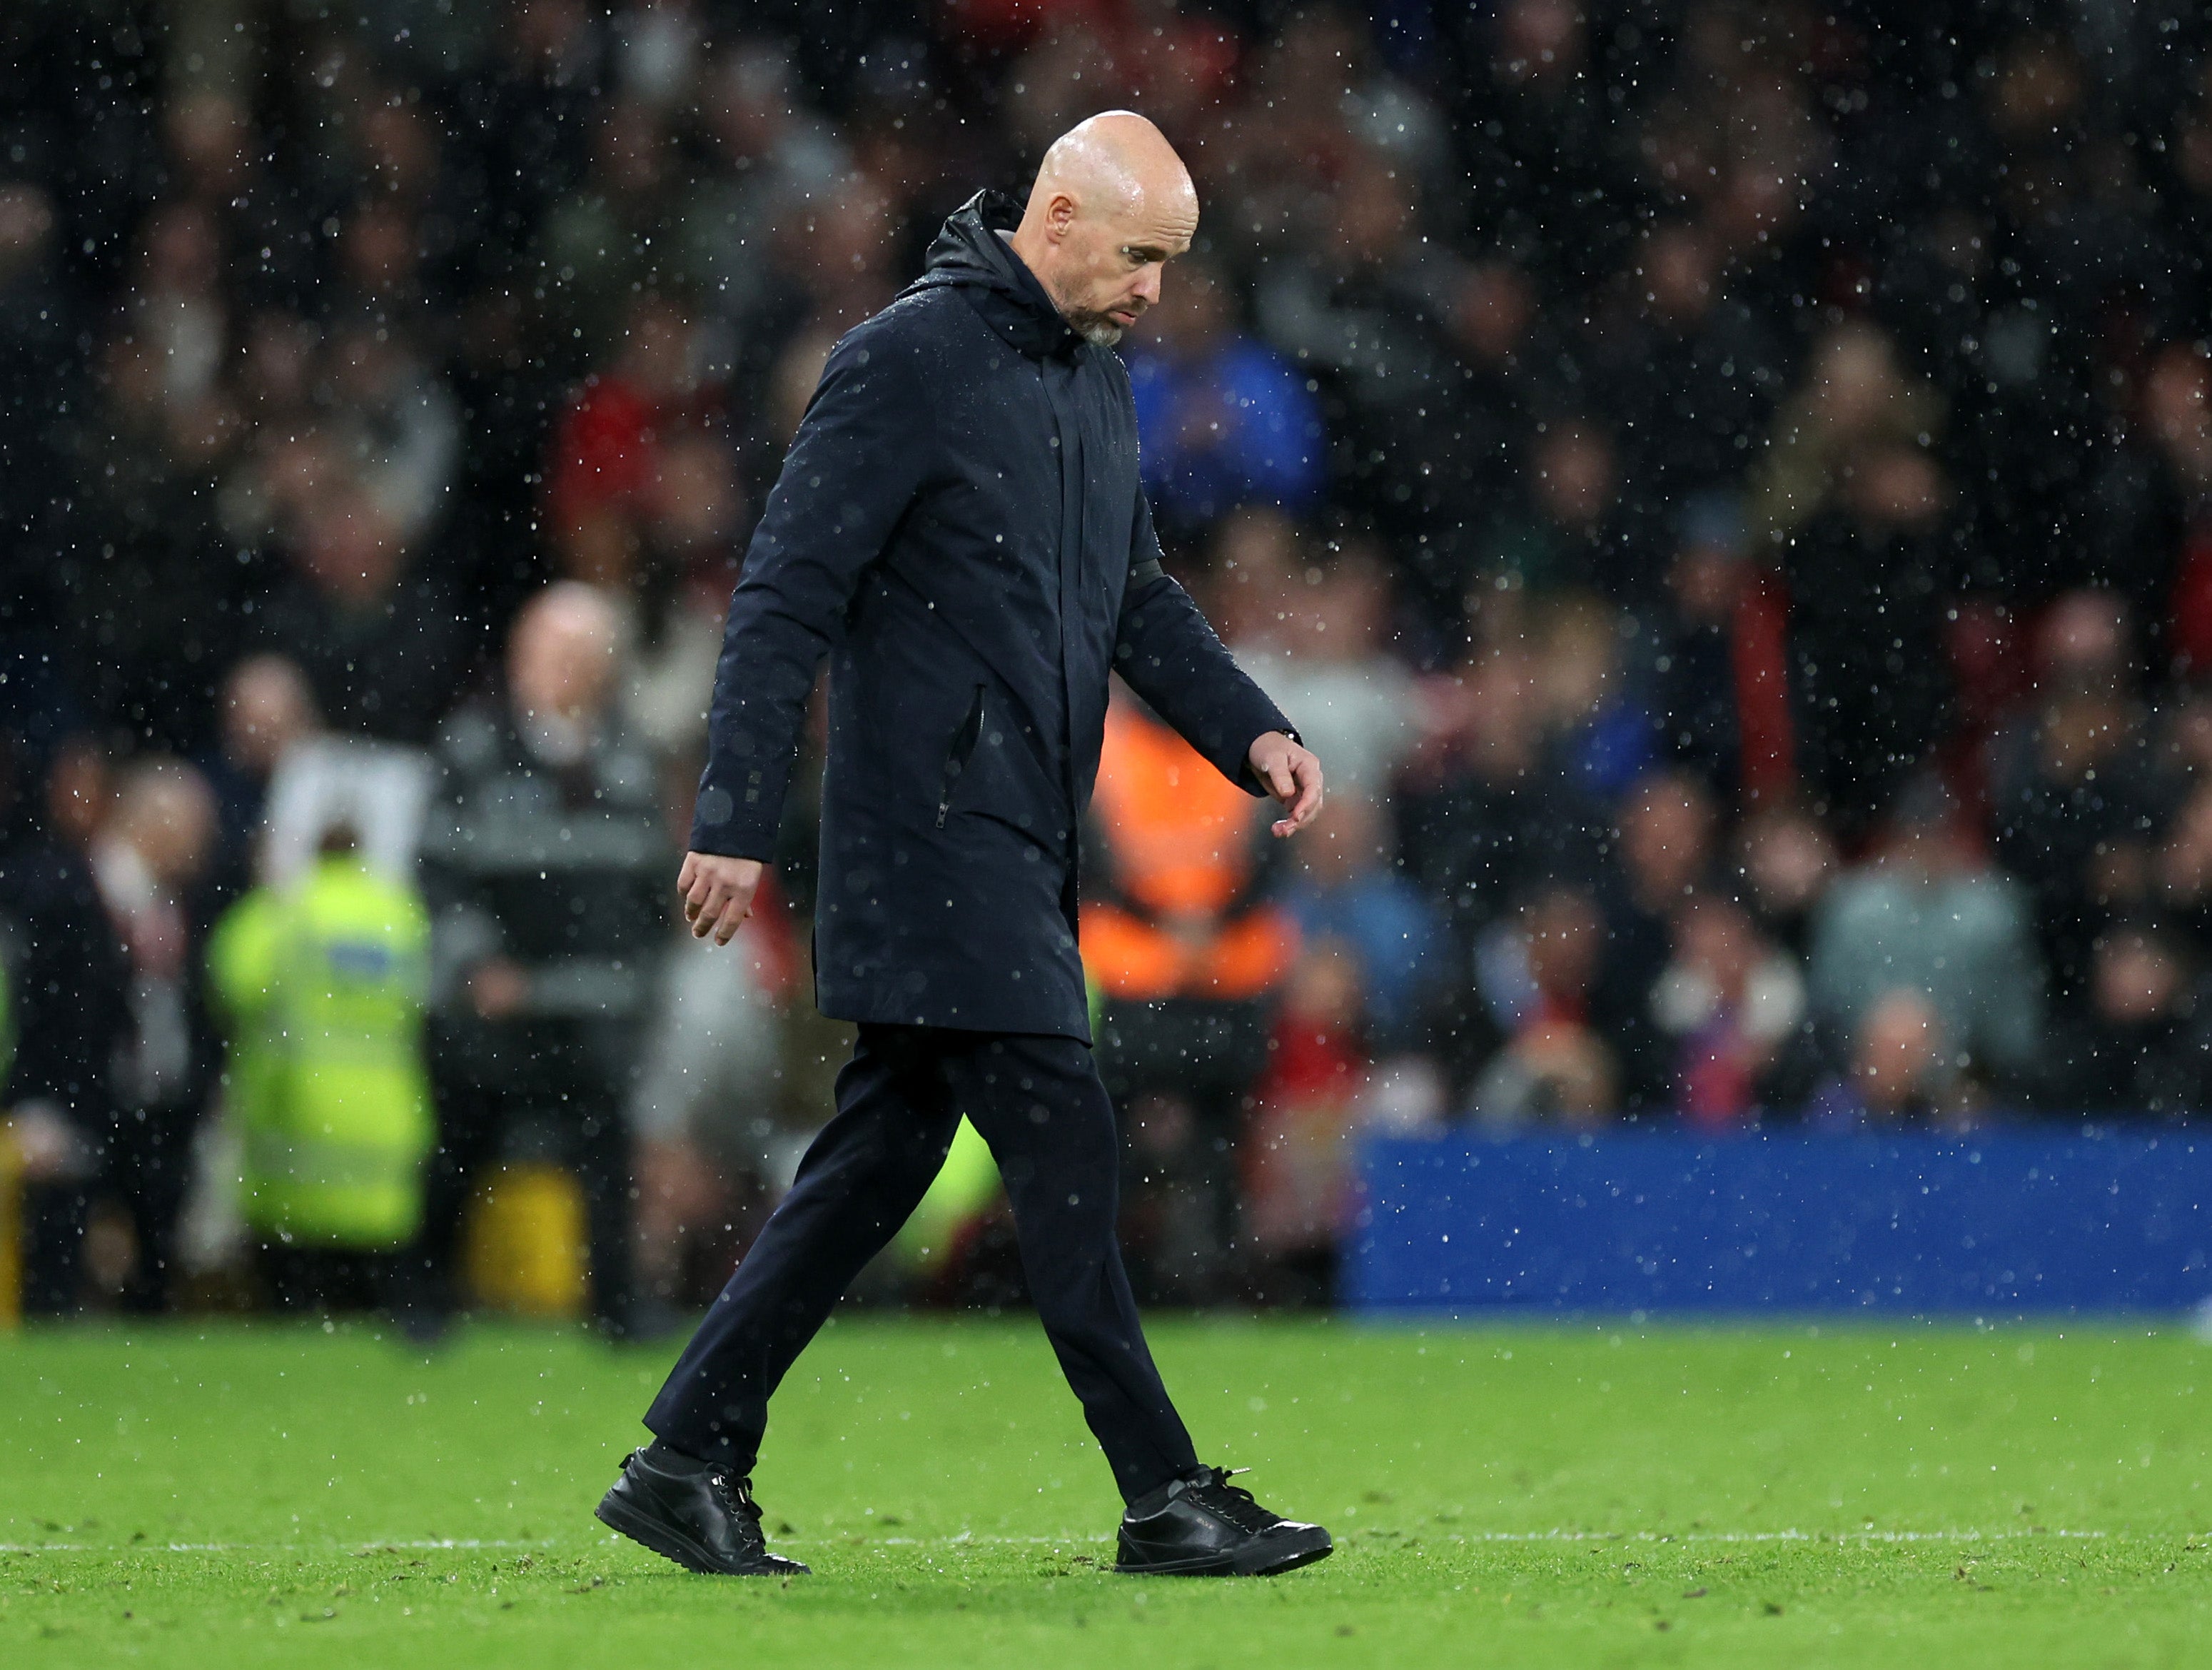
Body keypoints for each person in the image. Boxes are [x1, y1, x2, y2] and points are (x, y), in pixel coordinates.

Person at [597, 113, 1333, 1581]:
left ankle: (685, 1454)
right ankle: (1161, 1488)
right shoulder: (901, 362)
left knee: (876, 1160)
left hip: (1013, 831)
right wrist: (734, 818)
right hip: (923, 834)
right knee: (1062, 1134)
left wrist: (1250, 729)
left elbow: (1136, 601)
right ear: (1056, 216)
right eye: (1138, 260)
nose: (1154, 297)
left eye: (1169, 268)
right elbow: (782, 592)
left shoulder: (1093, 383)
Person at [417, 583, 668, 1338]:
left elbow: (655, 884)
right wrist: (477, 962)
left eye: (588, 656)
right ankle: (424, 1301)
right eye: (559, 654)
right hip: (498, 1002)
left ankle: (618, 1307)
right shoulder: (473, 748)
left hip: (594, 1006)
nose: (572, 670)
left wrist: (640, 974)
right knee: (460, 1151)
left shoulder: (631, 759)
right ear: (523, 659)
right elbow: (436, 871)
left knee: (605, 1162)